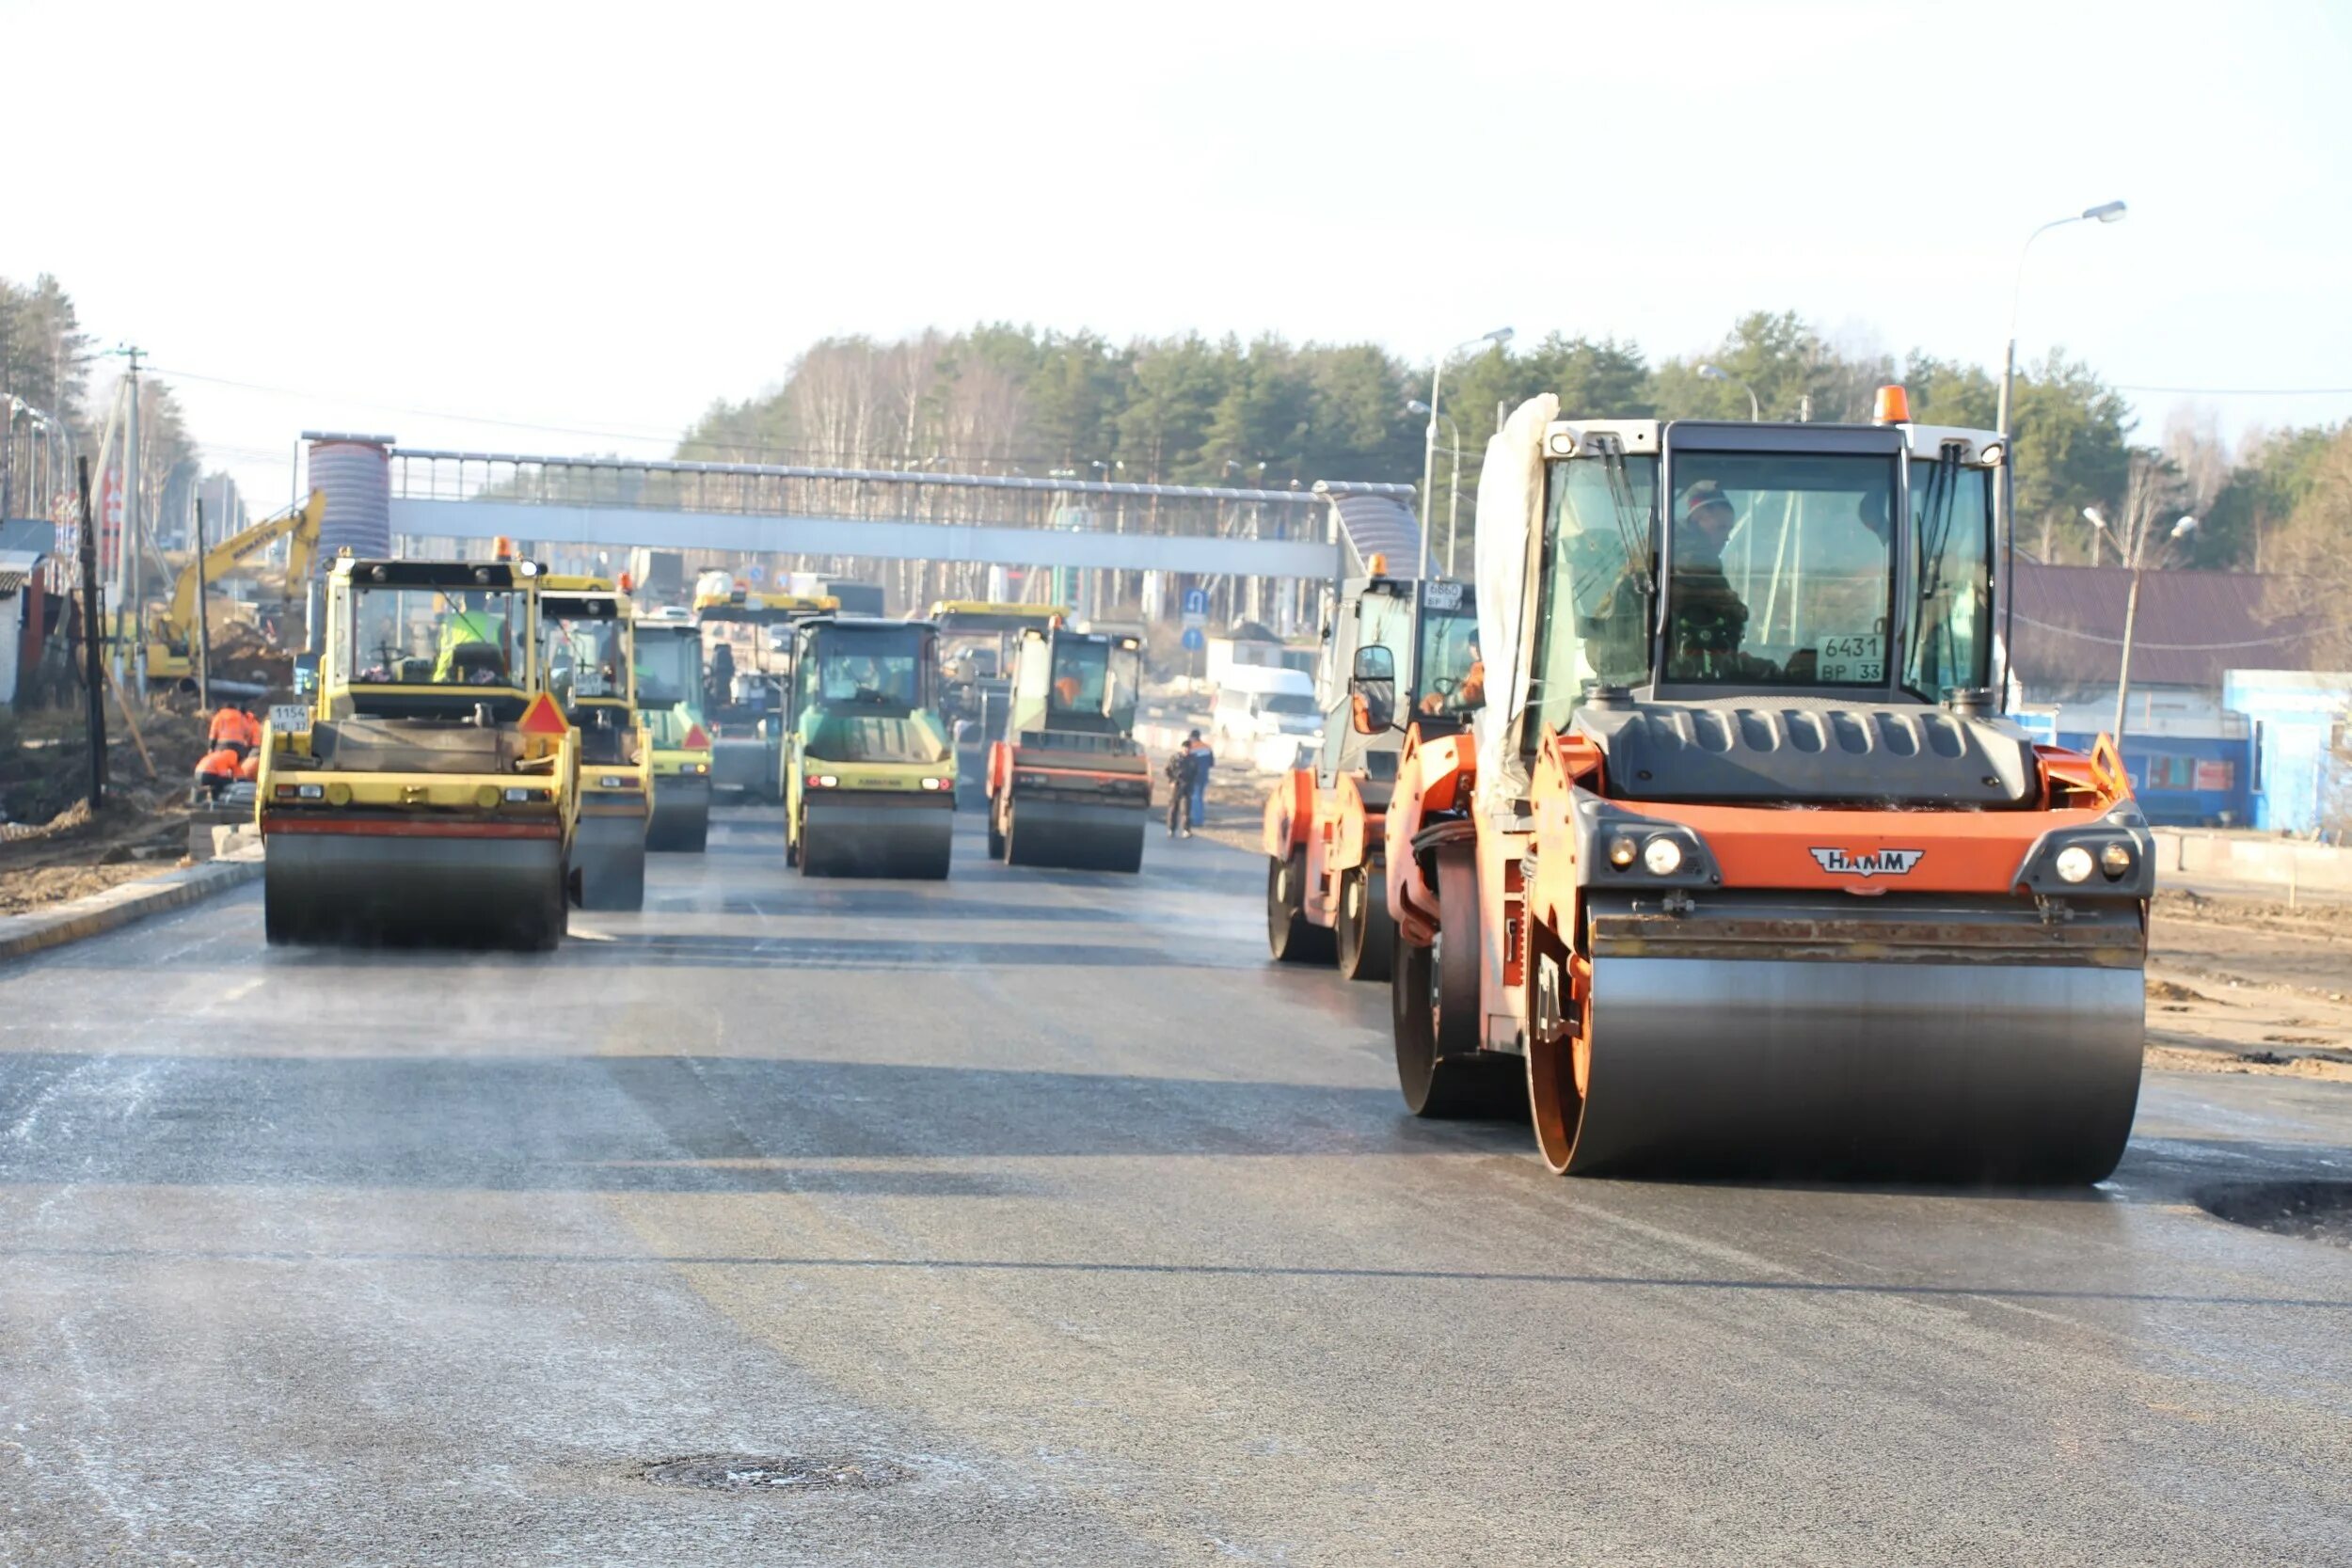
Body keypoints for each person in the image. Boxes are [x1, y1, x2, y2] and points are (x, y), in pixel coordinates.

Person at [1667, 480, 1755, 678]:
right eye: (1721, 527)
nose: (1726, 537)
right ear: (1698, 519)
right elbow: (1727, 606)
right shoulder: (1688, 559)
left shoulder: (1674, 548)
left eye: (1729, 529)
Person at [1165, 737, 1198, 838]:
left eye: (1188, 748)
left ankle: (1186, 830)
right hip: (1176, 786)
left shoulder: (1193, 759)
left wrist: (1192, 783)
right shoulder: (1175, 758)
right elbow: (1167, 770)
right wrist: (1172, 781)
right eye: (1185, 748)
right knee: (1173, 808)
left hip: (1187, 786)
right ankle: (1171, 829)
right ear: (1182, 748)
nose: (1186, 750)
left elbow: (1195, 773)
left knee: (1186, 809)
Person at [1185, 730, 1214, 828]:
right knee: (1199, 798)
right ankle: (1199, 819)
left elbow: (1186, 763)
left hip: (1194, 777)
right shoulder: (1207, 747)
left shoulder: (1191, 748)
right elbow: (1211, 763)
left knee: (1194, 798)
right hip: (1204, 776)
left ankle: (1196, 821)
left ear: (1193, 737)